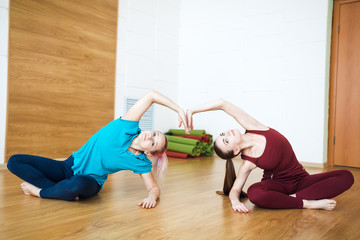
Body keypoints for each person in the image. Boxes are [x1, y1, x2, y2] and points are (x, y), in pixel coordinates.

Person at [7, 90, 189, 208]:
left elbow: (154, 187)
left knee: (77, 184)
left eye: (153, 143)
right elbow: (151, 96)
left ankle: (41, 192)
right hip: (68, 166)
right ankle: (61, 190)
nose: (150, 137)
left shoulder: (140, 162)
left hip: (90, 182)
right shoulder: (127, 125)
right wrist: (178, 109)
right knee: (14, 161)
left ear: (149, 153)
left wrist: (152, 198)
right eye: (155, 134)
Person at [186, 98, 354, 212]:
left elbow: (223, 104)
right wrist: (235, 202)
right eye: (226, 141)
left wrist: (193, 110)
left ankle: (288, 199)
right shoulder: (248, 162)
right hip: (277, 185)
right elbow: (236, 189)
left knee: (346, 176)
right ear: (236, 151)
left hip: (301, 180)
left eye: (223, 135)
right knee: (254, 194)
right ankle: (306, 203)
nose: (226, 135)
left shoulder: (254, 126)